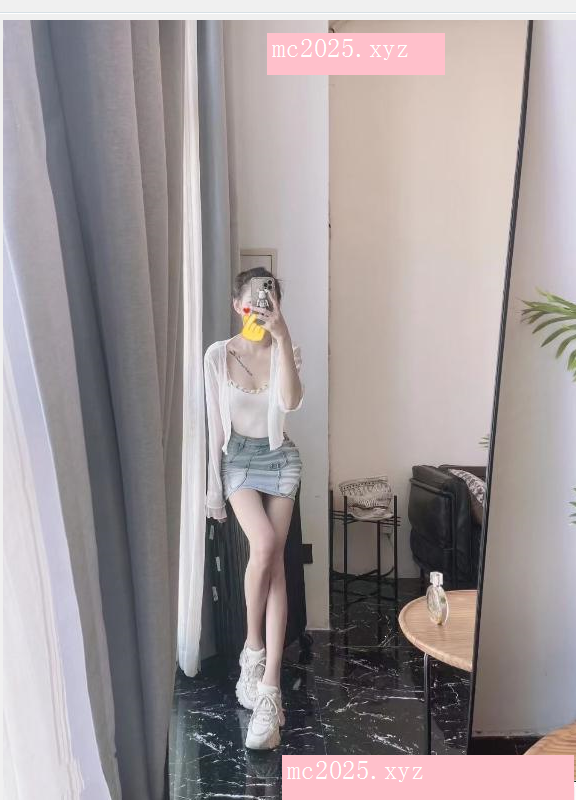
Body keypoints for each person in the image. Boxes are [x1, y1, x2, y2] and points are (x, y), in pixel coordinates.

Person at [203, 267, 304, 750]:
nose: (259, 309)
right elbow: (213, 427)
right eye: (252, 301)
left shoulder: (285, 349)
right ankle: (252, 647)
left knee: (276, 564)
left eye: (268, 302)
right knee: (263, 544)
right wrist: (212, 490)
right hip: (237, 461)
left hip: (280, 458)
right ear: (236, 305)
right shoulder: (218, 356)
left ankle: (269, 689)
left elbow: (291, 402)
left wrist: (282, 338)